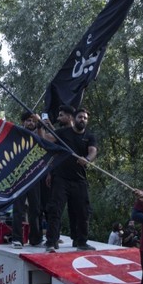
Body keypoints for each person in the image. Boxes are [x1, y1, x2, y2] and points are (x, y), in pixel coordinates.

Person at [41, 107, 98, 252]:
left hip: (79, 180)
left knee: (83, 212)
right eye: (80, 117)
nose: (82, 120)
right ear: (74, 118)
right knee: (55, 210)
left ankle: (81, 242)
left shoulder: (89, 136)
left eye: (85, 118)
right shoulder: (62, 133)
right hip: (61, 179)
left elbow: (93, 151)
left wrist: (87, 159)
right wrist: (40, 125)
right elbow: (45, 139)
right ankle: (51, 242)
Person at [10, 111, 45, 248]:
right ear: (23, 122)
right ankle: (17, 239)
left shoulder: (38, 136)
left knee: (35, 208)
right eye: (28, 121)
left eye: (33, 121)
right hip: (19, 177)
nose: (31, 123)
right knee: (18, 209)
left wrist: (40, 122)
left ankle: (35, 238)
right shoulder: (17, 134)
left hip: (34, 176)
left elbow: (44, 142)